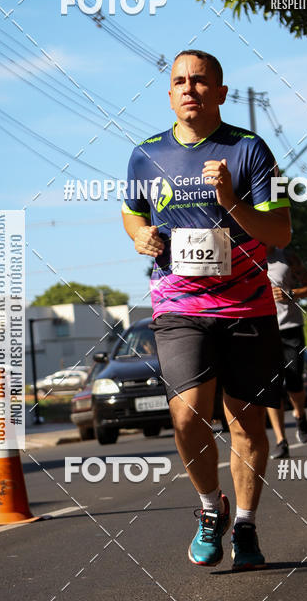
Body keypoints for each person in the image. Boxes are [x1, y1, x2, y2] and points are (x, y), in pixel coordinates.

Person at [122, 49, 291, 570]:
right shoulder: (144, 154)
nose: (189, 89)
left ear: (220, 92)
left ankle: (244, 524)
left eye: (200, 81)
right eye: (179, 81)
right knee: (186, 412)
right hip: (178, 302)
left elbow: (281, 231)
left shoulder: (252, 150)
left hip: (246, 305)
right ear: (169, 94)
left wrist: (232, 201)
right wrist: (141, 236)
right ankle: (207, 508)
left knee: (246, 421)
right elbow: (131, 214)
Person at [266, 247, 307, 459]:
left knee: (294, 381)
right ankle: (280, 440)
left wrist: (291, 293)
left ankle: (300, 415)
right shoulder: (242, 255)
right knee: (272, 387)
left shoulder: (286, 257)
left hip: (290, 327)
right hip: (262, 329)